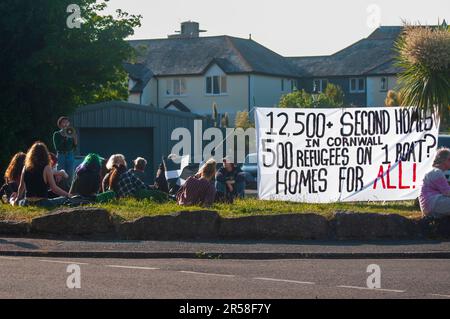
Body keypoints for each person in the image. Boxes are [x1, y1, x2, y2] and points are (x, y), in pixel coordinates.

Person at [11, 142, 69, 207]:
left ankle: (12, 201)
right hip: (42, 202)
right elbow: (54, 188)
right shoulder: (47, 168)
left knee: (19, 202)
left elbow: (21, 187)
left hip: (27, 202)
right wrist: (68, 195)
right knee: (65, 199)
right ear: (45, 155)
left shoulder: (25, 167)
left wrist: (17, 199)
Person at [419, 147, 450, 218]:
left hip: (429, 205)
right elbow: (447, 192)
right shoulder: (437, 172)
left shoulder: (434, 171)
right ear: (443, 160)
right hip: (432, 204)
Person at [53, 116, 77, 182]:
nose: (66, 124)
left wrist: (74, 138)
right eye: (64, 122)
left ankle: (68, 190)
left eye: (67, 122)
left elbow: (75, 146)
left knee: (70, 175)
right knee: (60, 174)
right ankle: (59, 189)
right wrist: (64, 138)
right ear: (60, 124)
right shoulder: (56, 134)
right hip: (61, 155)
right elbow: (57, 147)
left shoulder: (71, 133)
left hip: (70, 154)